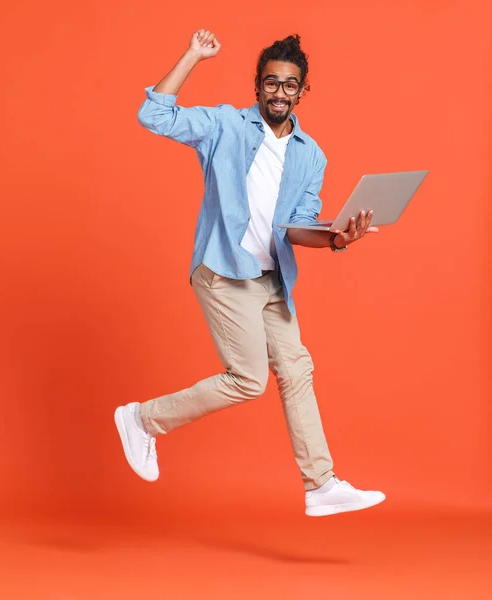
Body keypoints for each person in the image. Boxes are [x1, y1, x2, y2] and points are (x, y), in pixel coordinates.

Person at [115, 30, 385, 517]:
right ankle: (142, 419)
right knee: (248, 379)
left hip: (270, 279)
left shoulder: (311, 154)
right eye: (271, 83)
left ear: (303, 92)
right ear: (257, 86)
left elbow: (298, 228)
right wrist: (193, 56)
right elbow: (152, 114)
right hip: (223, 269)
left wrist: (338, 239)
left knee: (297, 368)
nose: (279, 92)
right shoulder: (225, 126)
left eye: (290, 85)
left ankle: (320, 484)